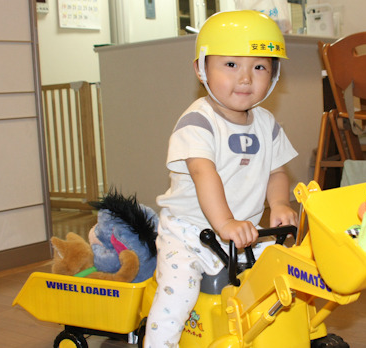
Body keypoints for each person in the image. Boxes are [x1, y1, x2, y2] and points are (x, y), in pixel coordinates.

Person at [144, 10, 298, 347]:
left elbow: (276, 171)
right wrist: (224, 221)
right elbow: (204, 173)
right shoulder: (197, 122)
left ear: (273, 75)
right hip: (188, 234)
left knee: (282, 275)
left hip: (243, 234)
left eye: (258, 67)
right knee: (177, 297)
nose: (245, 78)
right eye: (230, 65)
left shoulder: (267, 123)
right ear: (201, 69)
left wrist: (280, 203)